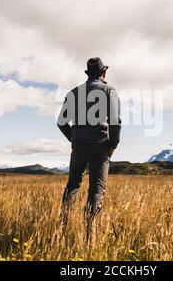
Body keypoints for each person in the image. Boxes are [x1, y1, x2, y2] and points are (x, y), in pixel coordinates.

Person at [57, 57, 121, 242]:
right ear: (104, 73)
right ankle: (89, 237)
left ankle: (64, 228)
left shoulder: (73, 93)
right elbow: (115, 121)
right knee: (96, 190)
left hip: (78, 145)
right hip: (100, 146)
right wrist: (112, 145)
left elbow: (61, 122)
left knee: (72, 186)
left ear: (88, 73)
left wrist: (74, 139)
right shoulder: (109, 90)